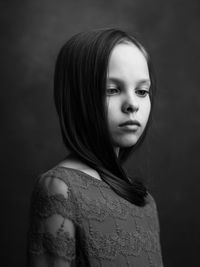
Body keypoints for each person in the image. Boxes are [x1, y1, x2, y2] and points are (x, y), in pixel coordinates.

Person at [27, 28, 164, 267]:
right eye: (112, 90)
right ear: (78, 97)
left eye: (142, 91)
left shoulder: (145, 202)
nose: (132, 104)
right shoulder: (60, 189)